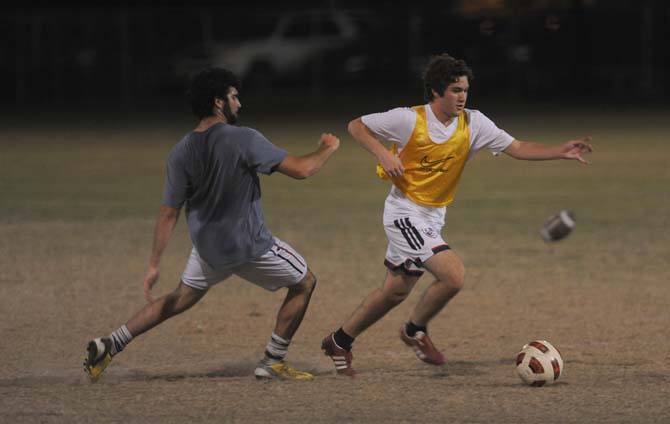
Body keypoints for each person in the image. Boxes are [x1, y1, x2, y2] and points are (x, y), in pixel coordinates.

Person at [321, 53, 592, 376]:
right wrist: (382, 152)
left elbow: (516, 147)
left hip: (433, 216)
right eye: (454, 90)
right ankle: (414, 330)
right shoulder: (409, 120)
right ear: (436, 91)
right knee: (453, 275)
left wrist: (559, 151)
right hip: (404, 213)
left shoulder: (473, 123)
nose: (462, 96)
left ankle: (339, 340)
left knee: (395, 290)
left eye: (464, 89)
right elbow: (357, 126)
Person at [84, 67, 340, 382]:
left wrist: (153, 264)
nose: (240, 104)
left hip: (209, 249)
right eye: (234, 97)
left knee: (178, 297)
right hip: (248, 246)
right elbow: (301, 169)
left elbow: (168, 213)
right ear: (219, 102)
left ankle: (111, 343)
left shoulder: (180, 151)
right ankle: (273, 361)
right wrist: (327, 148)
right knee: (305, 282)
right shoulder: (244, 138)